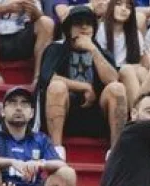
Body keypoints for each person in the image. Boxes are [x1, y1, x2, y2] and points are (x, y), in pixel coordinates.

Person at [38, 6, 125, 151]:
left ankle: (116, 152)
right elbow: (46, 78)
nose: (84, 27)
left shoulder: (103, 53)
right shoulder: (56, 49)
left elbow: (112, 80)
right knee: (56, 87)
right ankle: (56, 150)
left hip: (96, 116)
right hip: (63, 114)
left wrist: (93, 50)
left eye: (89, 23)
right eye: (78, 23)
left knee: (117, 88)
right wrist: (84, 87)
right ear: (69, 28)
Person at [0, 0, 54, 85]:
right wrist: (4, 8)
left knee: (46, 22)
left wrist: (35, 12)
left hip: (24, 37)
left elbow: (40, 16)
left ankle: (39, 78)